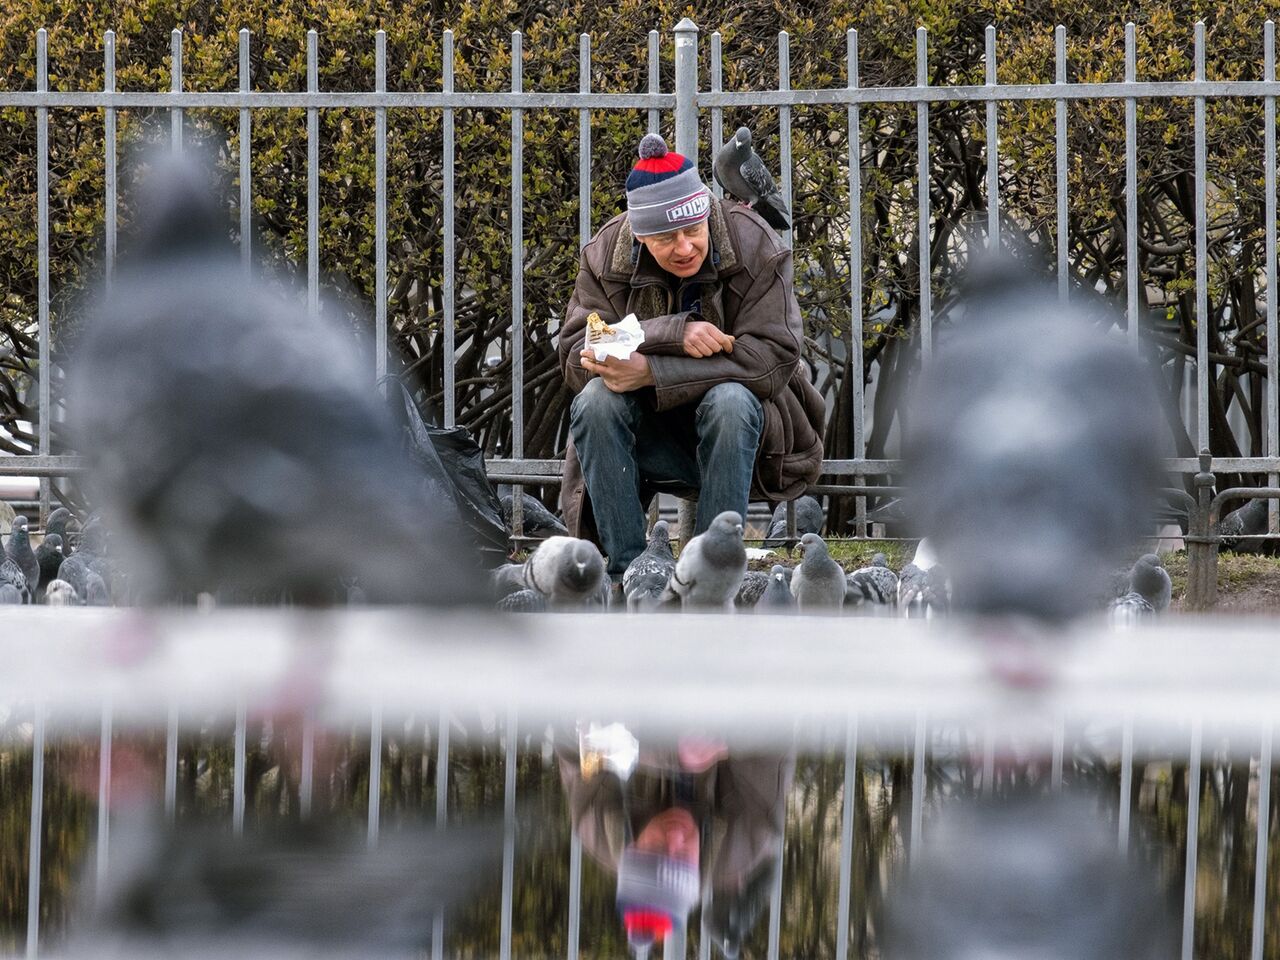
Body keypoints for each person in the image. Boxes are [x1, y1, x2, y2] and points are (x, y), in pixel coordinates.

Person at [558, 133, 825, 577]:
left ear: (706, 214)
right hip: (645, 437)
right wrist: (672, 333)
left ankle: (710, 573)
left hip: (745, 441)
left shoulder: (754, 243)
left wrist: (653, 372)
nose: (684, 247)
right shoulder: (606, 253)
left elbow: (774, 357)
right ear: (640, 236)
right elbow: (575, 353)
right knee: (595, 400)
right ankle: (630, 573)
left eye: (692, 230)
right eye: (665, 238)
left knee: (731, 401)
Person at [558, 729, 792, 957]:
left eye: (658, 848)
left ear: (633, 847)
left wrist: (662, 752)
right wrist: (726, 738)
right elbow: (777, 731)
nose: (675, 837)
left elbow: (571, 731)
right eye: (682, 857)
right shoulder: (747, 839)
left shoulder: (596, 821)